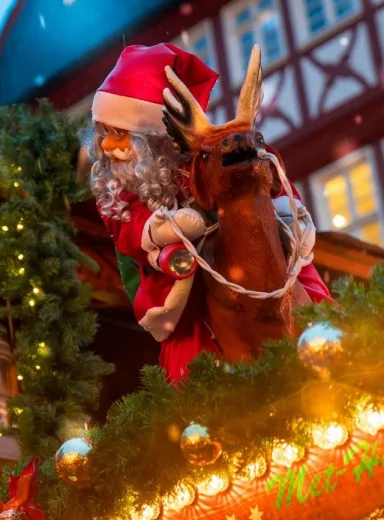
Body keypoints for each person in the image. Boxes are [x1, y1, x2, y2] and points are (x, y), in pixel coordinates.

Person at [89, 43, 331, 382]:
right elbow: (129, 230)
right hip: (186, 285)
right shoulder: (119, 189)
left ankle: (325, 334)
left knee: (295, 279)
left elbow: (264, 180)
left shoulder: (199, 161)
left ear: (156, 139)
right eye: (103, 133)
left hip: (243, 250)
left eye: (119, 135)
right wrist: (163, 230)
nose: (106, 147)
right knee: (192, 356)